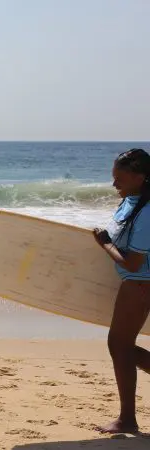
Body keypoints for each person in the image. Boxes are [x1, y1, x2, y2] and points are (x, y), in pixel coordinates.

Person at [92, 148, 150, 434]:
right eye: (113, 177)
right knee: (120, 346)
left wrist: (104, 243)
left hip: (140, 284)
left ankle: (127, 418)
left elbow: (134, 262)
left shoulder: (148, 212)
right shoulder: (130, 202)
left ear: (140, 177)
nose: (114, 183)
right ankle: (127, 417)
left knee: (120, 346)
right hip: (131, 282)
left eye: (120, 178)